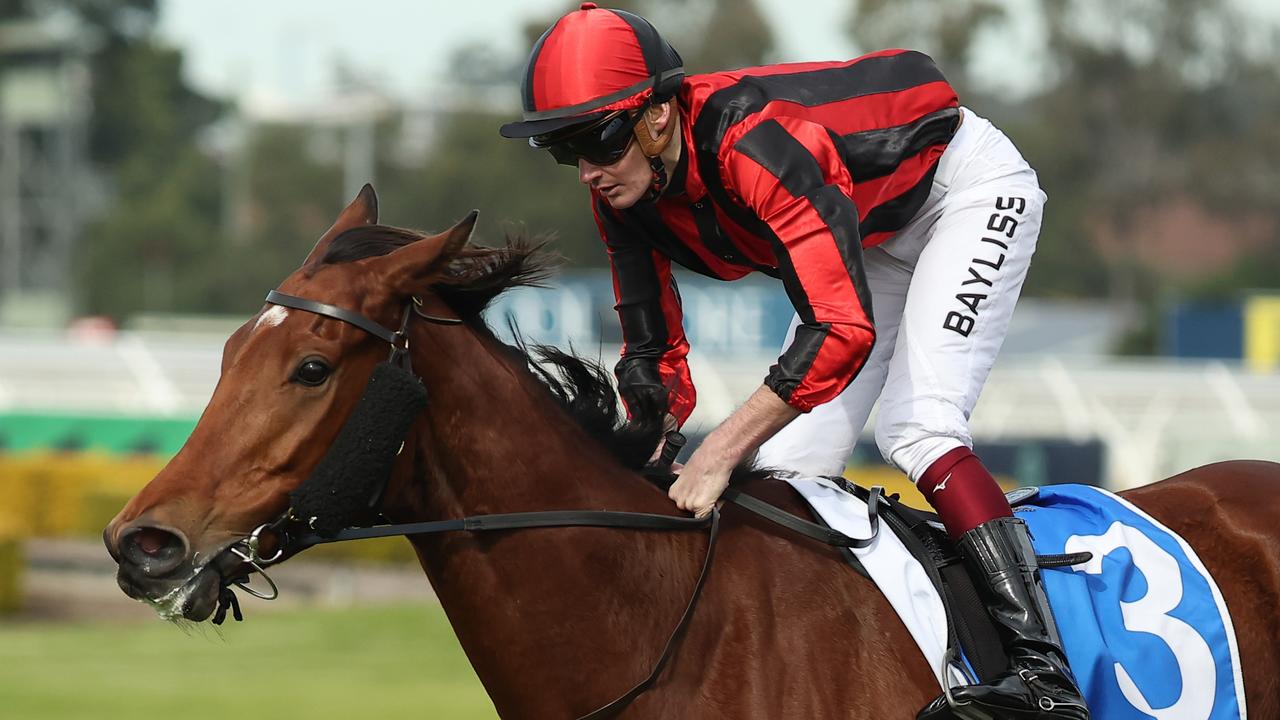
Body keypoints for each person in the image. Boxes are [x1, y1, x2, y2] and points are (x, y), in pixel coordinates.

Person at [500, 4, 1087, 718]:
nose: (588, 171)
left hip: (961, 192)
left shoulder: (753, 146)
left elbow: (839, 330)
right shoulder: (626, 195)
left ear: (656, 116)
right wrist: (652, 438)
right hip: (871, 232)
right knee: (789, 476)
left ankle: (1045, 679)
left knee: (918, 426)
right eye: (566, 152)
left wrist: (719, 449)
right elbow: (653, 349)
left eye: (597, 140)